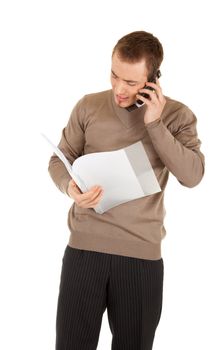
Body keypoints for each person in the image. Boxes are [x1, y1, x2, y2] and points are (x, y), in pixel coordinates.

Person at [48, 31, 205, 350]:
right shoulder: (88, 106)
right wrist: (71, 188)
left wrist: (154, 124)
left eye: (131, 82)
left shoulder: (177, 116)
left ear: (153, 80)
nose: (119, 88)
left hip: (140, 257)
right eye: (114, 75)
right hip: (84, 251)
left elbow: (192, 175)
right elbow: (59, 159)